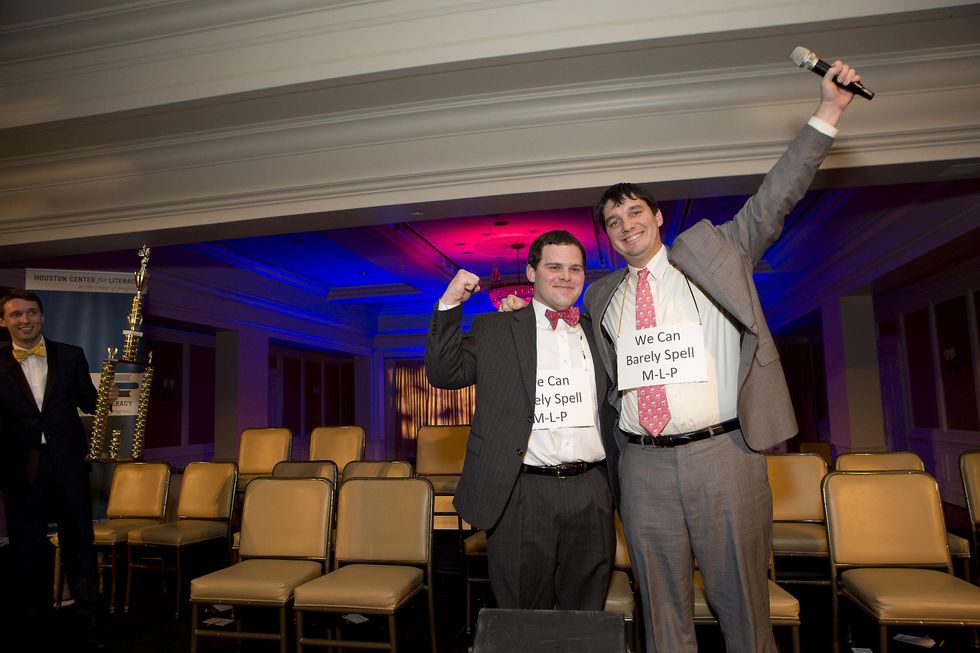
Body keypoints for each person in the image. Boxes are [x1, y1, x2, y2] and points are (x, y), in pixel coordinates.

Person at [580, 60, 863, 652]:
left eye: (635, 212)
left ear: (658, 217)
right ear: (607, 237)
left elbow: (776, 195)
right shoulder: (602, 296)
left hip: (723, 455)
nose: (626, 225)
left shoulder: (716, 252)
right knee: (661, 611)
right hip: (643, 466)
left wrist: (829, 111)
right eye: (613, 221)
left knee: (742, 606)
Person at [425, 230, 618, 610]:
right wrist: (450, 303)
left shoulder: (602, 330)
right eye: (554, 267)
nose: (566, 276)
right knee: (522, 616)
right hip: (521, 492)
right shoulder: (497, 328)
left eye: (575, 268)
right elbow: (445, 373)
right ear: (531, 273)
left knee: (586, 613)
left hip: (592, 490)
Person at [0, 288, 116, 651]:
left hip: (68, 465)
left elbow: (88, 401)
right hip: (21, 470)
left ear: (42, 317)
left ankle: (90, 624)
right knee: (26, 550)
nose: (25, 320)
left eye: (31, 312)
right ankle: (30, 626)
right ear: (3, 321)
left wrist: (106, 397)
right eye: (16, 314)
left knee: (79, 545)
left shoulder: (70, 355)